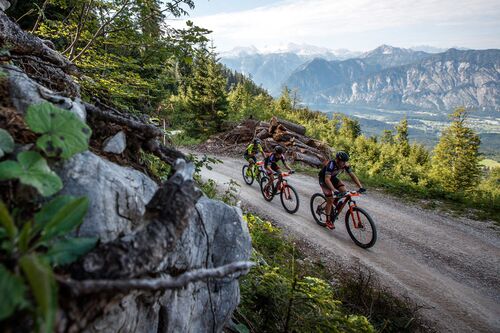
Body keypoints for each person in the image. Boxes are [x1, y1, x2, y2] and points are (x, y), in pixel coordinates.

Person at [318, 151, 365, 229]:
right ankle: (328, 221)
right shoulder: (331, 164)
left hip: (332, 178)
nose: (344, 163)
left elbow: (352, 175)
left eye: (345, 161)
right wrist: (334, 190)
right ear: (337, 160)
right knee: (330, 199)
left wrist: (360, 187)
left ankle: (335, 201)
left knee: (344, 191)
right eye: (343, 161)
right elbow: (327, 179)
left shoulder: (344, 165)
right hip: (324, 179)